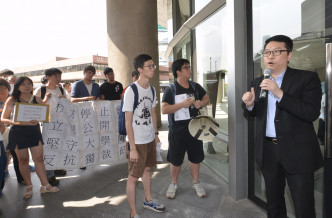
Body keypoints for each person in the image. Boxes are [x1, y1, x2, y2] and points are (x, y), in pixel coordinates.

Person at [242, 35, 323, 218]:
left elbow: (311, 113)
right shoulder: (258, 82)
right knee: (274, 203)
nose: (270, 56)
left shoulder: (307, 78)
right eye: (267, 52)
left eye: (277, 52)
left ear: (289, 55)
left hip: (298, 152)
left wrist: (279, 93)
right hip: (268, 150)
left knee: (304, 206)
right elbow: (255, 114)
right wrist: (249, 104)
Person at [1, 77, 59, 199]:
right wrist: (19, 122)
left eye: (29, 84)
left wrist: (43, 115)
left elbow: (46, 114)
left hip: (34, 132)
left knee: (39, 159)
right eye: (23, 84)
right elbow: (3, 118)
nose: (27, 86)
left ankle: (45, 185)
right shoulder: (12, 99)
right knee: (23, 160)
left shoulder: (36, 99)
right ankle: (29, 186)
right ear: (17, 86)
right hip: (18, 133)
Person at [161, 59, 209, 199]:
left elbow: (207, 98)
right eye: (186, 67)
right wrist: (181, 105)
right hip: (178, 131)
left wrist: (200, 103)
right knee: (176, 160)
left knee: (195, 158)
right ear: (178, 71)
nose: (189, 69)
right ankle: (174, 184)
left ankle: (196, 182)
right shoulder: (171, 89)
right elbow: (164, 109)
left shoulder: (195, 86)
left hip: (195, 129)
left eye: (189, 66)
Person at [123, 54, 165, 218]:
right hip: (137, 141)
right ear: (140, 69)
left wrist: (155, 134)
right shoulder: (131, 91)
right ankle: (133, 213)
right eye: (149, 66)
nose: (153, 69)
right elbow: (128, 122)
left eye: (154, 66)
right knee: (133, 178)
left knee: (147, 170)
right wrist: (132, 148)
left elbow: (153, 113)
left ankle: (148, 200)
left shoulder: (152, 89)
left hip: (149, 139)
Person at [34, 68, 68, 186]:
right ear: (48, 77)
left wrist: (65, 100)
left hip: (61, 124)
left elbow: (69, 105)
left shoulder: (62, 90)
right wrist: (45, 100)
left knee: (59, 146)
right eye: (56, 76)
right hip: (48, 124)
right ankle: (49, 175)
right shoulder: (41, 90)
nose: (59, 79)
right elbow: (35, 107)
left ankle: (57, 167)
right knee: (49, 148)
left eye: (60, 76)